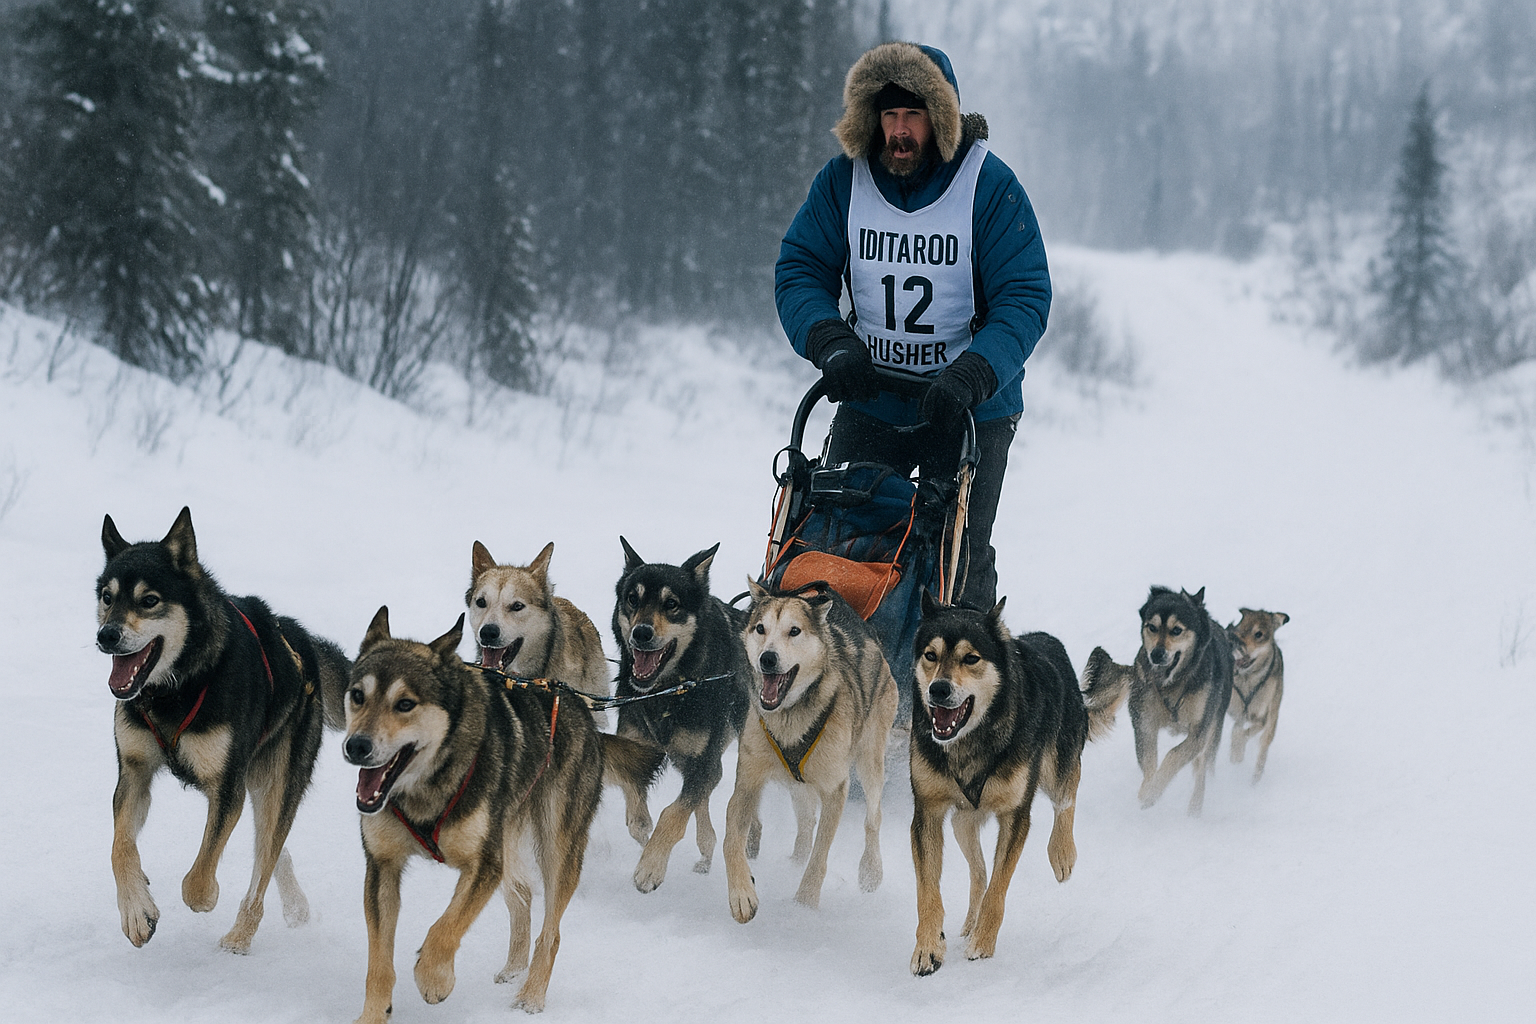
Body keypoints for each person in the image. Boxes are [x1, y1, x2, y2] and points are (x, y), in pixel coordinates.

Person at [775, 41, 1051, 610]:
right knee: (842, 540)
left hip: (970, 405)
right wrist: (830, 341)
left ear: (942, 118)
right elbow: (801, 270)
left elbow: (1023, 296)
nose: (899, 131)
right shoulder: (843, 181)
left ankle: (968, 656)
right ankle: (854, 659)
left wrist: (975, 373)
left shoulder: (989, 187)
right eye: (889, 115)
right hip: (872, 392)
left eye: (914, 116)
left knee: (955, 559)